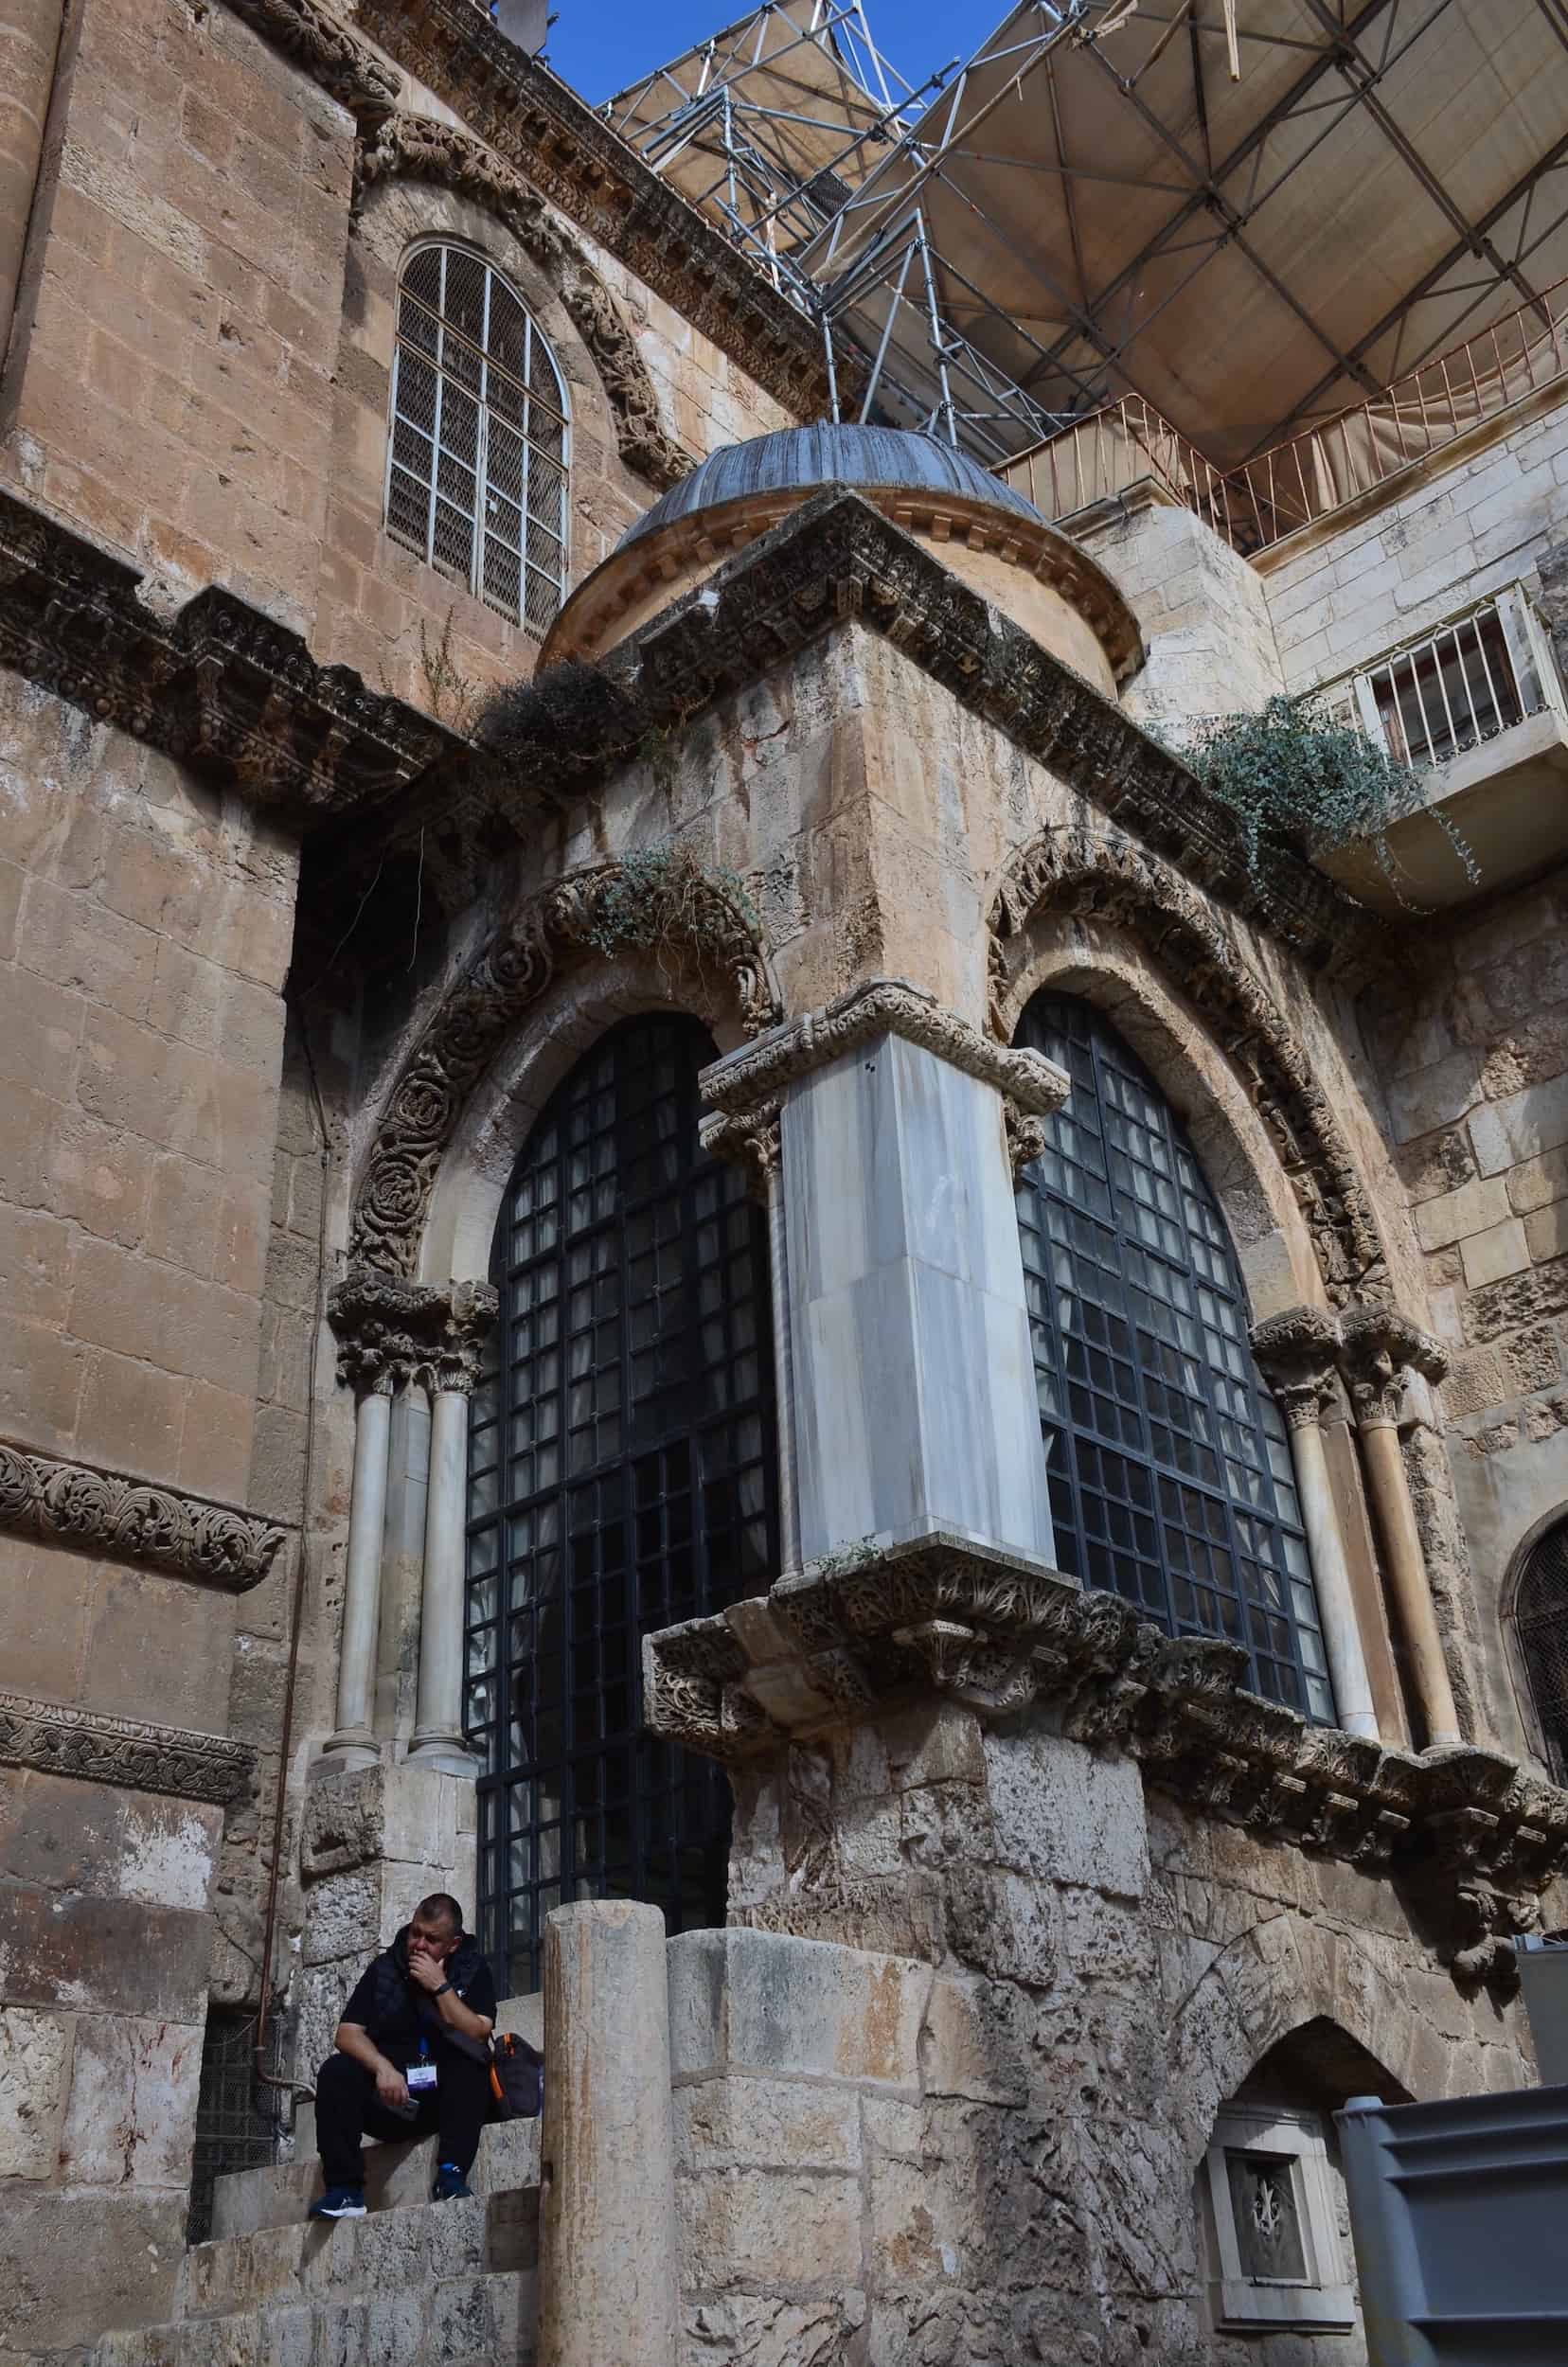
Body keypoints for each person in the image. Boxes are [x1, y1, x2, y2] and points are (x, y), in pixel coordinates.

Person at [309, 1891, 497, 2219]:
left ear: (452, 1944)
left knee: (468, 2061)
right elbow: (347, 2033)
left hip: (446, 2101)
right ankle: (344, 2191)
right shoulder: (385, 1968)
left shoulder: (472, 1967)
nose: (419, 1945)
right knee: (337, 2072)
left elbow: (479, 2030)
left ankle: (451, 2176)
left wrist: (440, 1987)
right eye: (415, 1933)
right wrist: (382, 2068)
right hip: (394, 2098)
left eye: (432, 1939)